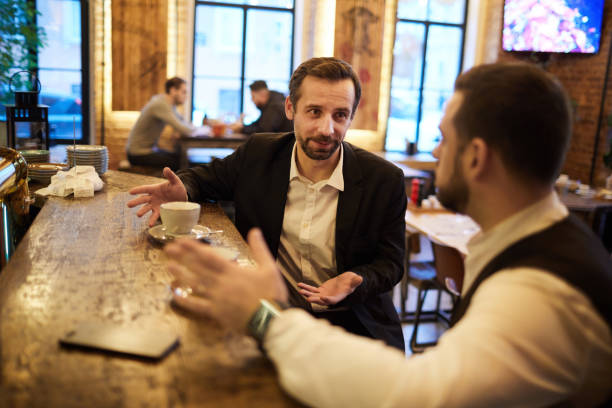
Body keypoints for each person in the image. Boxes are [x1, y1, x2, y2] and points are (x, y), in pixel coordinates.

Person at [164, 62, 612, 407]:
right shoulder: (538, 245)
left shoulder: (539, 290)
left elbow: (417, 396)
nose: (436, 151)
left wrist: (264, 318)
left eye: (443, 139)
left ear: (476, 158)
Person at [127, 57, 407, 350]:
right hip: (272, 314)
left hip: (352, 322)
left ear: (351, 117)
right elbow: (207, 178)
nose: (327, 129)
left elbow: (391, 262)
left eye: (340, 115)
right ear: (290, 108)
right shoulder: (260, 153)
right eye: (314, 112)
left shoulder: (384, 180)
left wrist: (356, 279)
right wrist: (183, 188)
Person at [126, 77, 203, 171]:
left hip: (147, 151)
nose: (186, 96)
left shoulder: (168, 104)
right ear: (173, 90)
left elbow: (183, 123)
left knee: (181, 157)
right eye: (184, 92)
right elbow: (184, 129)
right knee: (180, 162)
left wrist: (192, 129)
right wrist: (203, 130)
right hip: (137, 154)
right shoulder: (161, 104)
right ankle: (175, 185)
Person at [228, 80, 293, 135]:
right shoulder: (270, 104)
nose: (252, 100)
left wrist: (242, 129)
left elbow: (263, 131)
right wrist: (242, 127)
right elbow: (259, 123)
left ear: (262, 94)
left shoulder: (274, 106)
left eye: (253, 96)